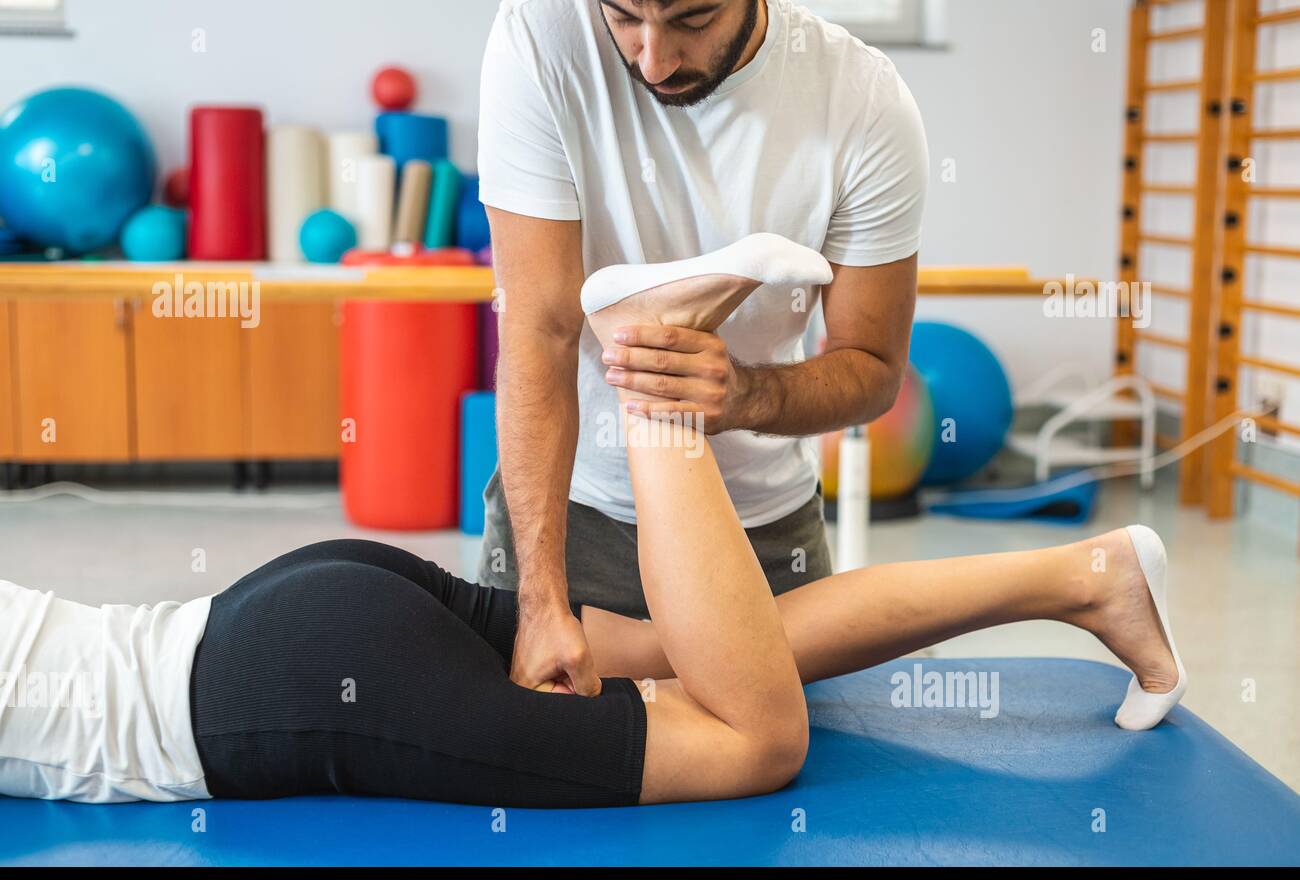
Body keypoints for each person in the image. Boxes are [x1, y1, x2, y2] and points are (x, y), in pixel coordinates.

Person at [0, 245, 1185, 809]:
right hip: (285, 611)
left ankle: (656, 370)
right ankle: (1087, 579)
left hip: (293, 685)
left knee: (754, 743)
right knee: (721, 649)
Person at [476, 0, 929, 696]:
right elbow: (541, 328)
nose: (652, 58)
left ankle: (1087, 580)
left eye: (692, 21)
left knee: (779, 774)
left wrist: (752, 394)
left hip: (762, 532)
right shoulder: (541, 35)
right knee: (541, 779)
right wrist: (541, 599)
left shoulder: (863, 102)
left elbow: (872, 370)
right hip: (569, 517)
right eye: (624, 17)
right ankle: (1086, 579)